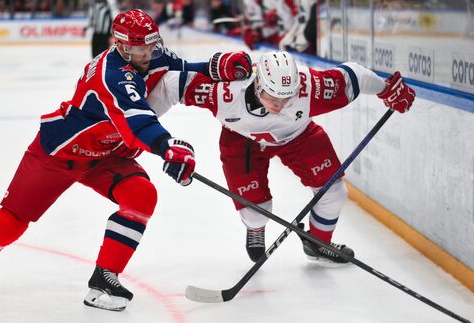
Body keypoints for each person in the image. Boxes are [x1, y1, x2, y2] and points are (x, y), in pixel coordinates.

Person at [0, 9, 252, 311]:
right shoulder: (112, 75)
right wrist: (167, 147)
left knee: (141, 195)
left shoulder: (150, 54)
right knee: (10, 225)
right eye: (141, 47)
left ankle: (103, 279)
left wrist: (218, 66)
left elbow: (182, 69)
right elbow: (138, 122)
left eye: (152, 44)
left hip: (106, 155)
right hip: (62, 152)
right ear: (121, 45)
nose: (149, 52)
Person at [147, 51, 415, 264]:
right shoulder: (224, 92)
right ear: (258, 83)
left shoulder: (312, 87)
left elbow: (353, 76)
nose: (279, 104)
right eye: (272, 96)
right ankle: (255, 227)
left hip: (298, 136)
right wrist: (142, 129)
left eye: (287, 97)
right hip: (243, 141)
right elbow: (171, 85)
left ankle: (318, 243)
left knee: (334, 193)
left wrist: (385, 88)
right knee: (257, 214)